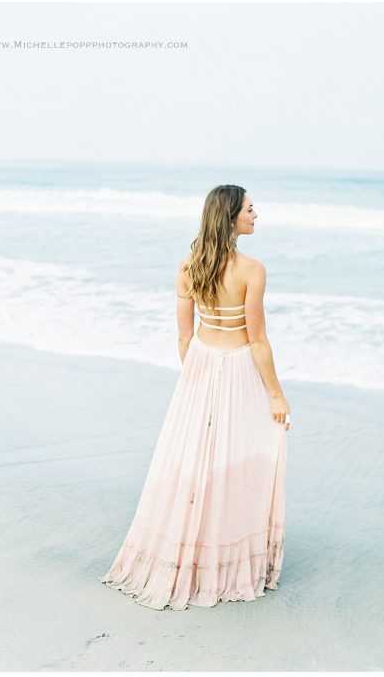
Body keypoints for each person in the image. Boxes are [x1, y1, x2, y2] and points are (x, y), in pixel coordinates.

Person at [100, 184, 290, 610]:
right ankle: (224, 563)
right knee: (235, 460)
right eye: (250, 209)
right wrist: (276, 395)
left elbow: (184, 336)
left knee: (196, 462)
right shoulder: (252, 270)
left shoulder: (188, 267)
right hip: (239, 368)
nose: (256, 215)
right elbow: (258, 341)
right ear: (230, 218)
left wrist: (196, 382)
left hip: (200, 368)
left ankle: (187, 555)